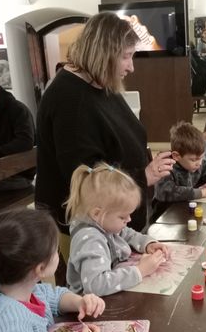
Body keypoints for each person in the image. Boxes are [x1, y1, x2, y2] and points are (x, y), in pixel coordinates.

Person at [35, 12, 174, 240]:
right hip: (89, 231)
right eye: (126, 56)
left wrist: (147, 168)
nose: (131, 67)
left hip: (117, 221)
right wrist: (143, 176)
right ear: (104, 54)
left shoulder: (100, 82)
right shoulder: (70, 99)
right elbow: (86, 178)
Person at [66, 163, 169, 296]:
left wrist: (148, 244)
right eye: (122, 217)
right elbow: (96, 285)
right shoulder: (90, 240)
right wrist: (140, 270)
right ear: (97, 214)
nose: (129, 220)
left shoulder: (104, 224)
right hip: (86, 304)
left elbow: (127, 233)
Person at [154, 121, 206, 205]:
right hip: (166, 211)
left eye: (201, 158)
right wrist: (204, 192)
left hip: (185, 207)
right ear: (176, 156)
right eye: (193, 159)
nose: (199, 163)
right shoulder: (165, 167)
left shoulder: (197, 164)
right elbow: (166, 192)